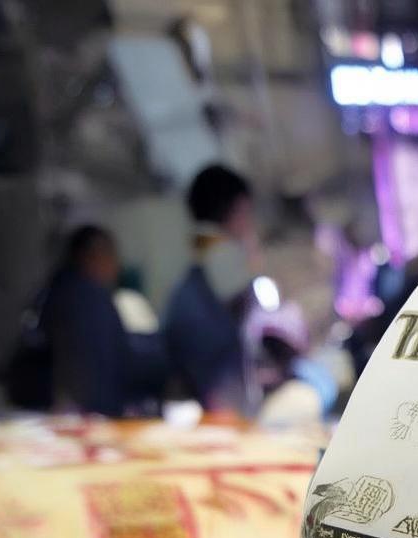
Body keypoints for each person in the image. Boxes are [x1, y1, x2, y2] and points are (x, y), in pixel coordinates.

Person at [163, 164, 259, 412]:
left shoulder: (192, 249)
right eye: (246, 212)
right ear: (234, 209)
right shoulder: (225, 254)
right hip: (219, 393)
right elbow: (241, 319)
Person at [41, 226, 147, 416]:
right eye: (112, 257)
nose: (116, 267)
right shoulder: (88, 299)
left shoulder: (60, 290)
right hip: (93, 413)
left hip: (69, 410)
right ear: (93, 256)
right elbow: (100, 366)